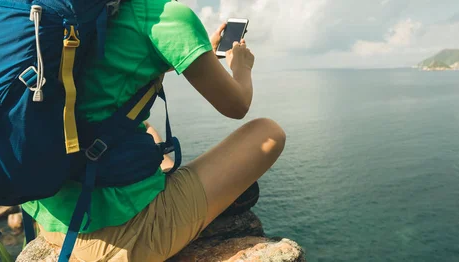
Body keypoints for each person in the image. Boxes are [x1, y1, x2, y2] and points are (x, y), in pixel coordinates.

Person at [20, 0, 286, 261]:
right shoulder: (165, 14)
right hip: (121, 235)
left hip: (49, 213)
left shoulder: (70, 12)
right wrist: (242, 67)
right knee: (269, 133)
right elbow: (237, 105)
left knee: (144, 128)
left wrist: (200, 48)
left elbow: (120, 57)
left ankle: (164, 173)